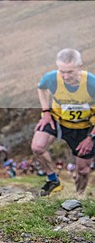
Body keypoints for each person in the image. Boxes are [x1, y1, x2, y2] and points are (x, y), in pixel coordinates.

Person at [31, 48, 95, 196]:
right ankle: (53, 180)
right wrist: (46, 112)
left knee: (83, 170)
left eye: (70, 72)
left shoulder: (91, 83)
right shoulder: (52, 78)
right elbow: (41, 88)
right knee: (37, 147)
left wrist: (91, 137)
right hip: (58, 121)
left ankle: (79, 197)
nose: (65, 76)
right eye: (62, 71)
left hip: (84, 127)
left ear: (80, 66)